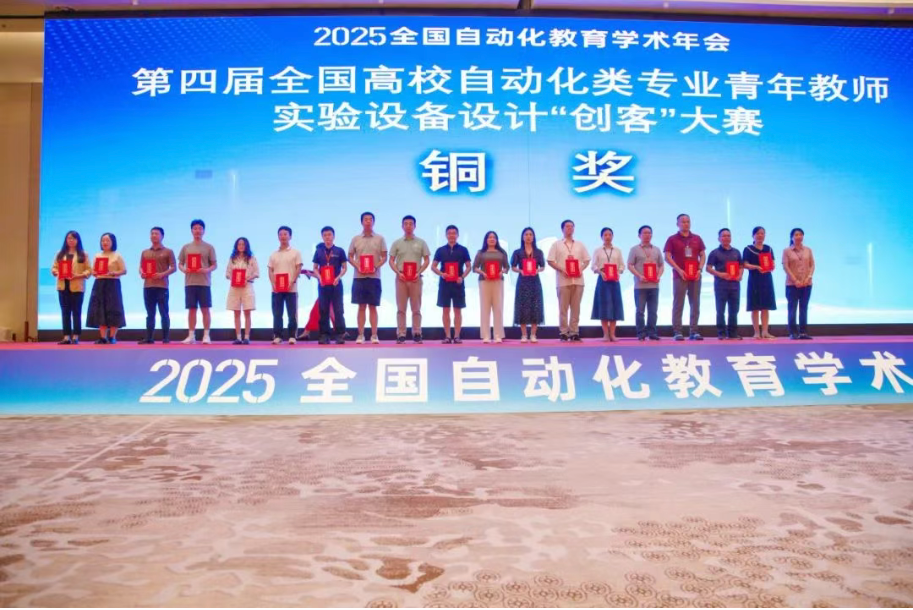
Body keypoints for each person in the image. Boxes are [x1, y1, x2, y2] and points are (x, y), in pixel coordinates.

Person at [388, 215, 431, 344]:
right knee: (401, 308)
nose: (408, 226)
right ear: (402, 226)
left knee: (416, 308)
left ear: (415, 226)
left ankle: (417, 333)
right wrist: (398, 273)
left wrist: (419, 272)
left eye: (411, 224)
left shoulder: (421, 242)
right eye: (405, 224)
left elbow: (427, 260)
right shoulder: (397, 243)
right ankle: (401, 334)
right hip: (401, 278)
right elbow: (391, 261)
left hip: (416, 279)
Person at [664, 213, 706, 341]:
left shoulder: (697, 238)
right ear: (677, 224)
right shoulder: (672, 239)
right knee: (678, 303)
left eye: (688, 221)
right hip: (679, 275)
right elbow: (667, 257)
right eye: (683, 222)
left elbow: (702, 255)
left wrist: (699, 270)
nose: (686, 224)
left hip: (695, 276)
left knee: (695, 303)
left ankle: (694, 331)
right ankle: (677, 331)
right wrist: (678, 269)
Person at [348, 211, 387, 344]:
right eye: (366, 219)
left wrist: (376, 267)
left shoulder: (380, 238)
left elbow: (384, 257)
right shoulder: (355, 239)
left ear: (374, 222)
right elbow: (350, 256)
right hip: (359, 277)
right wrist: (357, 266)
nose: (368, 221)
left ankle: (374, 335)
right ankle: (360, 335)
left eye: (370, 219)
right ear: (362, 222)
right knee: (361, 307)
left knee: (373, 307)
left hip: (374, 277)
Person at [547, 219, 590, 342]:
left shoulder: (580, 244)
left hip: (578, 281)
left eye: (572, 226)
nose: (570, 228)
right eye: (567, 226)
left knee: (576, 309)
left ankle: (574, 332)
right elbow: (550, 260)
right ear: (562, 229)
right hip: (563, 280)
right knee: (563, 309)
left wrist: (581, 269)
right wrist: (562, 269)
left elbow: (587, 260)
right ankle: (564, 332)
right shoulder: (556, 244)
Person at [178, 219, 217, 344]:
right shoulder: (186, 247)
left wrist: (206, 270)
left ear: (204, 231)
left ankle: (206, 335)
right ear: (191, 230)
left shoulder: (209, 247)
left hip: (204, 283)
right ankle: (191, 336)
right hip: (190, 282)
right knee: (191, 309)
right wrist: (184, 270)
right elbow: (180, 264)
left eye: (200, 228)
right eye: (195, 228)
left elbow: (214, 265)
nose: (197, 231)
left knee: (205, 309)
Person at [431, 224, 472, 344]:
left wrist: (462, 277)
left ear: (457, 235)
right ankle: (448, 336)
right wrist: (441, 274)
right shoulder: (440, 250)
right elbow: (433, 266)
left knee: (458, 310)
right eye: (449, 233)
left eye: (454, 233)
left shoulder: (463, 250)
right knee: (445, 310)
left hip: (458, 284)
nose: (451, 235)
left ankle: (457, 336)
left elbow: (469, 266)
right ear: (446, 235)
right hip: (444, 284)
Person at [51, 230, 91, 345]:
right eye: (69, 238)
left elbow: (89, 270)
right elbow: (54, 268)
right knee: (65, 312)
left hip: (77, 286)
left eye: (73, 238)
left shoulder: (83, 254)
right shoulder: (60, 254)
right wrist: (57, 273)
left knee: (76, 312)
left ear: (77, 240)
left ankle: (76, 336)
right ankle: (66, 337)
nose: (71, 240)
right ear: (66, 240)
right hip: (63, 286)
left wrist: (78, 275)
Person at [86, 232, 127, 344]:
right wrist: (94, 272)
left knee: (114, 309)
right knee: (100, 309)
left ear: (113, 242)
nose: (105, 242)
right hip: (99, 283)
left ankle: (112, 336)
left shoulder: (117, 255)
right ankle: (103, 337)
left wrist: (113, 273)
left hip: (113, 284)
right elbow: (93, 270)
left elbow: (124, 270)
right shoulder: (97, 256)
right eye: (103, 240)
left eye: (107, 240)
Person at [138, 226, 176, 344]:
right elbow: (141, 267)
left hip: (162, 286)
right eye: (152, 233)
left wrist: (162, 274)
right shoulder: (145, 252)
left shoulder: (168, 251)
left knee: (164, 312)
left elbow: (173, 267)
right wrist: (142, 273)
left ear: (162, 236)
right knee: (150, 313)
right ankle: (149, 338)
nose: (154, 235)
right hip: (148, 286)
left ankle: (165, 338)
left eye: (157, 234)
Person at [627, 225, 664, 341]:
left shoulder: (657, 249)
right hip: (640, 286)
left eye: (649, 233)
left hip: (654, 285)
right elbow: (630, 265)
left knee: (653, 311)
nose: (647, 235)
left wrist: (658, 276)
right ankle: (641, 333)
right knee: (640, 311)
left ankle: (652, 333)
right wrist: (639, 276)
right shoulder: (634, 249)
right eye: (645, 233)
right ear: (639, 235)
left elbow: (661, 265)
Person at [313, 226, 348, 345]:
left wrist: (338, 277)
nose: (327, 237)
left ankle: (340, 334)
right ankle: (324, 335)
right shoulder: (318, 251)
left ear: (333, 236)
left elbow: (344, 268)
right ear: (322, 237)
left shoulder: (340, 251)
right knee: (323, 310)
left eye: (329, 235)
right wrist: (320, 277)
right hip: (323, 285)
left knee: (338, 309)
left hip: (336, 284)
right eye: (325, 235)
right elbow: (315, 268)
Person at [706, 228, 743, 340]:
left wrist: (740, 275)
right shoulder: (714, 253)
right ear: (719, 238)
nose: (726, 238)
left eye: (728, 236)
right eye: (724, 236)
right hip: (721, 285)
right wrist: (720, 274)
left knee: (734, 310)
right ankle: (721, 333)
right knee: (720, 310)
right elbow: (708, 268)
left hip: (735, 285)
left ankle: (733, 333)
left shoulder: (736, 252)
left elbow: (741, 266)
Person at [473, 231, 510, 343]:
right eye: (489, 237)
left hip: (498, 281)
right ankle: (486, 336)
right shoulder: (481, 253)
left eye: (494, 237)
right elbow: (475, 268)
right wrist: (483, 273)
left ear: (496, 240)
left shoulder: (502, 252)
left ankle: (498, 335)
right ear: (486, 240)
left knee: (498, 308)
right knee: (485, 308)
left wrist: (502, 271)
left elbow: (507, 267)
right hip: (484, 281)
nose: (492, 239)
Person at [510, 227, 545, 343]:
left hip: (535, 281)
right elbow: (513, 267)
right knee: (522, 306)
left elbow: (542, 266)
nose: (528, 237)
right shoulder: (517, 252)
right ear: (522, 237)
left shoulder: (539, 252)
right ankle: (524, 335)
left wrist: (537, 270)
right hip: (523, 281)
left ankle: (533, 334)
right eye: (526, 235)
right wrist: (520, 271)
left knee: (536, 306)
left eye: (530, 234)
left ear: (533, 237)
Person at [268, 225, 302, 345]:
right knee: (277, 313)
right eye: (280, 234)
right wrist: (273, 284)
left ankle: (292, 336)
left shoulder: (295, 252)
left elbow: (298, 268)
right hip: (276, 289)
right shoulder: (273, 254)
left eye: (285, 234)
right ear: (278, 237)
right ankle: (278, 336)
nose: (283, 236)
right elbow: (270, 270)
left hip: (291, 289)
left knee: (292, 314)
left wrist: (292, 282)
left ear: (290, 236)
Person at [591, 227, 625, 342]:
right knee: (604, 307)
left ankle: (613, 334)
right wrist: (600, 272)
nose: (608, 237)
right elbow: (593, 266)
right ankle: (605, 334)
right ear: (601, 237)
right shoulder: (598, 250)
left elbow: (622, 265)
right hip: (603, 280)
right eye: (605, 235)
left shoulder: (617, 250)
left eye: (610, 234)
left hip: (615, 280)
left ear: (613, 236)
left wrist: (619, 272)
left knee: (615, 306)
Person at [743, 226, 777, 340]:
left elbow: (772, 263)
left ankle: (765, 332)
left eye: (762, 233)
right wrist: (757, 267)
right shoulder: (748, 249)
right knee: (755, 306)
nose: (760, 235)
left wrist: (771, 267)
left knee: (765, 306)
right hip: (754, 279)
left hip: (766, 279)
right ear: (753, 236)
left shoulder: (769, 248)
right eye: (757, 233)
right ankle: (756, 332)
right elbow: (745, 264)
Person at [225, 237, 259, 345]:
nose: (241, 246)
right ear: (236, 246)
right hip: (234, 288)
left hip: (247, 286)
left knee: (247, 312)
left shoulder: (251, 258)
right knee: (236, 312)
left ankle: (247, 337)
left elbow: (257, 273)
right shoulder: (232, 259)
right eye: (239, 244)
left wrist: (246, 279)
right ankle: (238, 337)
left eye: (243, 244)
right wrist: (234, 279)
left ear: (246, 246)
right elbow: (227, 273)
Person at [783, 228, 815, 340]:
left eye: (800, 234)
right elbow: (786, 267)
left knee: (804, 308)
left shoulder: (808, 250)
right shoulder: (787, 251)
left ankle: (803, 332)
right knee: (792, 308)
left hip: (807, 284)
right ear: (792, 237)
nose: (798, 237)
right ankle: (793, 332)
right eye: (796, 235)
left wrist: (808, 278)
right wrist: (795, 280)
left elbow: (812, 265)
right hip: (792, 285)